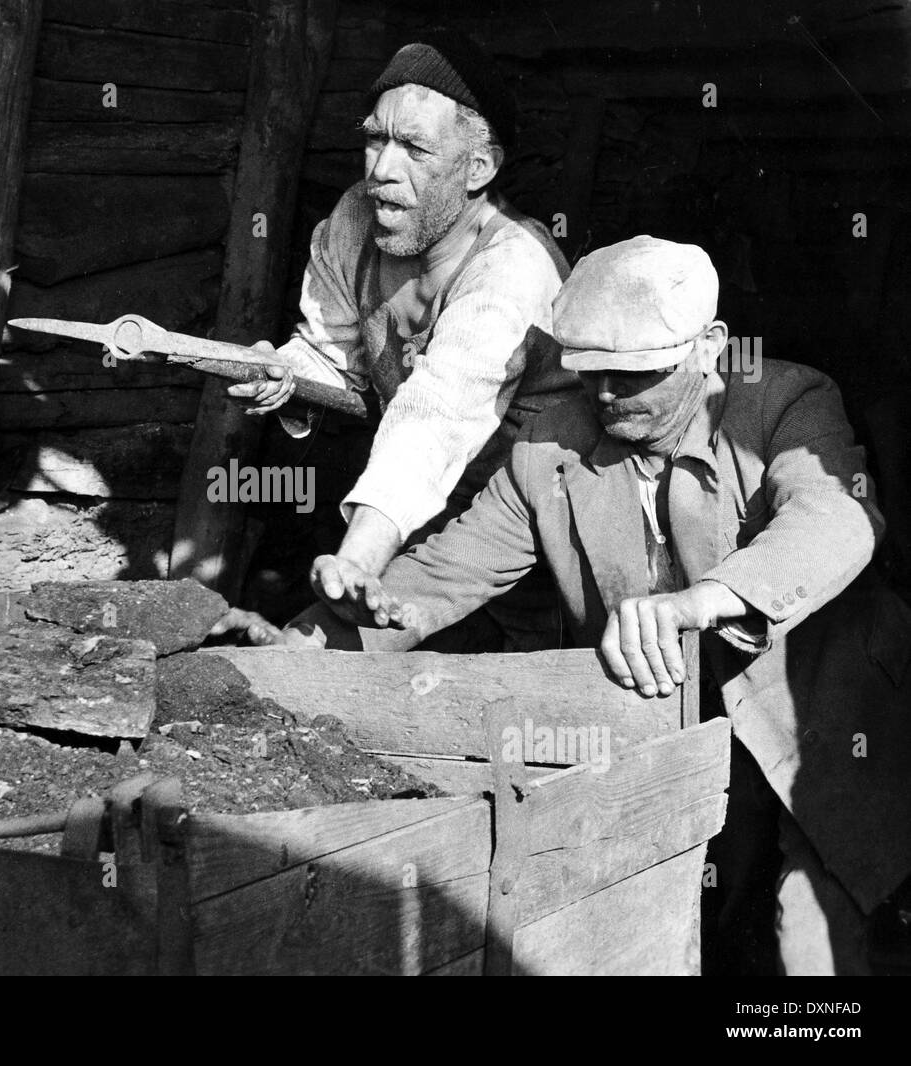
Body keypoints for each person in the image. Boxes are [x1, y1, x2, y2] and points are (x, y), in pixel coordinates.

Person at [308, 235, 911, 974]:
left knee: (809, 938)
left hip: (818, 718)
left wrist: (701, 602)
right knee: (678, 929)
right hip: (670, 737)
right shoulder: (550, 448)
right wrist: (325, 624)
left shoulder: (785, 401)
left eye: (635, 377)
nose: (605, 396)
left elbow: (835, 519)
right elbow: (448, 572)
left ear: (708, 347)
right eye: (589, 374)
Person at [219, 33, 576, 651]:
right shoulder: (357, 221)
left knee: (533, 678)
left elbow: (433, 415)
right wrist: (283, 372)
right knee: (345, 655)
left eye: (413, 147)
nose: (381, 169)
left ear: (479, 168)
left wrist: (357, 557)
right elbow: (333, 351)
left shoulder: (513, 268)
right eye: (375, 138)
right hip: (418, 517)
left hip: (538, 529)